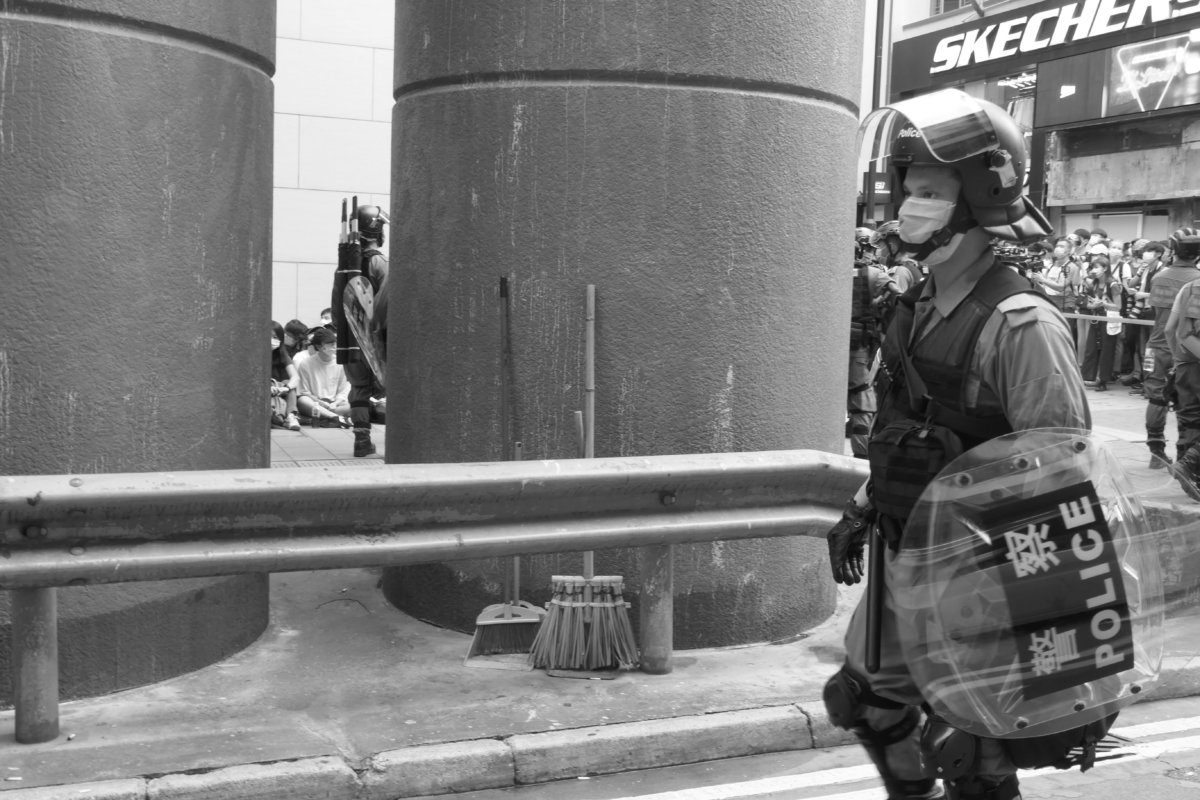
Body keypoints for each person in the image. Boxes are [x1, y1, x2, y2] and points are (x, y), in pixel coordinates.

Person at [825, 89, 1089, 800]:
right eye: (909, 189)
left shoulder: (1021, 324)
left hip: (980, 575)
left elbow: (1062, 468)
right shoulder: (910, 307)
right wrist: (863, 504)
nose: (911, 205)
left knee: (971, 745)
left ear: (980, 195)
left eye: (932, 191)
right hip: (904, 549)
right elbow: (893, 427)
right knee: (867, 703)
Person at [1144, 229, 1200, 469]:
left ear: (1173, 250)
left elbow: (1159, 315)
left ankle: (1156, 453)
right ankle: (1185, 458)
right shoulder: (1195, 282)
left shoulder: (1159, 277)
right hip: (1186, 352)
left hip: (1157, 346)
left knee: (1156, 398)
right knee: (1186, 405)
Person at [341, 204, 390, 457]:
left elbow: (339, 301)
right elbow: (386, 300)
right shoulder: (380, 263)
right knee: (395, 386)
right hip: (376, 336)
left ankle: (361, 441)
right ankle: (401, 440)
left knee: (359, 389)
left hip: (350, 336)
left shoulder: (345, 264)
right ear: (377, 231)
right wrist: (376, 331)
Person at [847, 237, 900, 458]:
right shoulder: (873, 274)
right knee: (861, 399)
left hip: (826, 346)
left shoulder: (824, 270)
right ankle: (861, 454)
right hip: (858, 347)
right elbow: (898, 296)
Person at [1165, 258, 1200, 500]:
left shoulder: (1190, 287)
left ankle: (1188, 473)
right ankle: (1188, 467)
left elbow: (1172, 330)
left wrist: (1178, 359)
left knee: (1190, 420)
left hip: (1186, 362)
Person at [1078, 256, 1121, 392]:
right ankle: (1088, 377)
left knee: (1106, 350)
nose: (1094, 270)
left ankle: (1103, 380)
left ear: (1105, 268)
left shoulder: (1112, 284)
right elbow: (1088, 286)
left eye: (1097, 267)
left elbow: (1118, 306)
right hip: (1096, 318)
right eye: (1093, 267)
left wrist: (1103, 303)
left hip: (1108, 320)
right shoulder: (1095, 283)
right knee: (1091, 348)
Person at [296, 326, 353, 427]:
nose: (334, 346)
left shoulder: (341, 363)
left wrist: (335, 403)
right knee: (302, 401)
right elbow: (304, 392)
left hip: (335, 405)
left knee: (354, 405)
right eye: (330, 344)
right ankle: (336, 418)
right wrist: (321, 403)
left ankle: (326, 417)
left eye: (335, 343)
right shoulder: (306, 364)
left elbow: (343, 390)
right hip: (315, 403)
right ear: (318, 347)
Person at [270, 322, 302, 431]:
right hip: (265, 387)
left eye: (275, 337)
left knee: (290, 384)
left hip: (279, 389)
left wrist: (285, 388)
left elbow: (295, 377)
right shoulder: (256, 353)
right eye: (269, 336)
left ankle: (291, 416)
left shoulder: (282, 353)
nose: (272, 340)